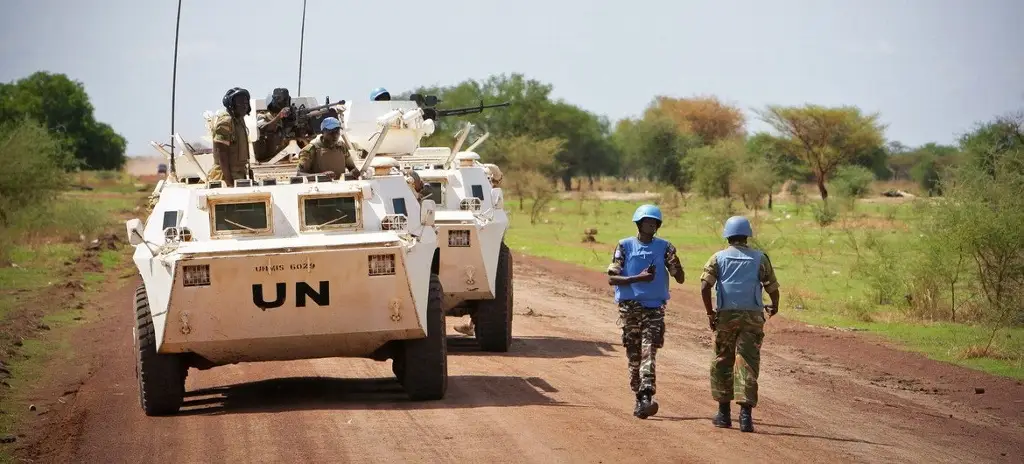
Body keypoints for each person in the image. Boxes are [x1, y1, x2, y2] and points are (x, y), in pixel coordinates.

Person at [699, 215, 781, 433]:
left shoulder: (717, 258)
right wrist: (775, 305)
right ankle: (745, 417)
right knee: (747, 362)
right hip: (753, 317)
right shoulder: (760, 258)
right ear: (747, 236)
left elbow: (704, 287)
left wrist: (710, 313)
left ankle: (723, 414)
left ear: (727, 236)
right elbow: (772, 287)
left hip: (725, 316)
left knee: (722, 360)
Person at [607, 204, 685, 419]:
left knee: (648, 350)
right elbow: (612, 277)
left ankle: (647, 395)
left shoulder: (665, 247)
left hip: (654, 309)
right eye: (647, 221)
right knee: (633, 355)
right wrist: (638, 278)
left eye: (655, 222)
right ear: (639, 223)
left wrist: (675, 265)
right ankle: (639, 396)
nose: (651, 224)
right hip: (630, 309)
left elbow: (680, 278)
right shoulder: (624, 246)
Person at [209, 87, 252, 186]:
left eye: (246, 103)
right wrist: (229, 182)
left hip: (238, 175)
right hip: (225, 177)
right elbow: (222, 154)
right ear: (231, 105)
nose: (244, 106)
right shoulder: (226, 121)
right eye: (240, 103)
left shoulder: (239, 119)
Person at [296, 117, 360, 179]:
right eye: (331, 132)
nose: (335, 135)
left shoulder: (341, 147)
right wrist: (321, 176)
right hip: (318, 188)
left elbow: (352, 168)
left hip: (340, 187)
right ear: (322, 133)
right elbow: (299, 174)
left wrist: (354, 172)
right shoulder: (310, 150)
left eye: (337, 131)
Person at [252, 88, 293, 162]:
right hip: (263, 159)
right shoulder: (262, 116)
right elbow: (263, 128)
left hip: (277, 159)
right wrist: (279, 116)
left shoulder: (282, 120)